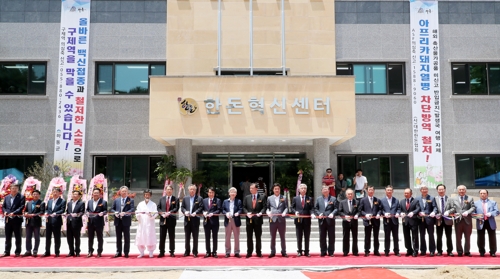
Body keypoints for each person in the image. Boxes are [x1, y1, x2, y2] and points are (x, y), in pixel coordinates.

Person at [444, 185, 475, 257]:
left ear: (465, 190)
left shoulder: (470, 198)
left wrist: (467, 212)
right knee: (458, 237)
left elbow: (473, 207)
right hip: (458, 220)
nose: (461, 191)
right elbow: (453, 208)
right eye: (460, 190)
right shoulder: (453, 199)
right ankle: (459, 251)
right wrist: (449, 212)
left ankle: (467, 251)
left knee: (467, 237)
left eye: (463, 190)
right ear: (458, 191)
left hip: (467, 220)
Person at [2, 180, 25, 257]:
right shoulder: (6, 197)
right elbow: (3, 207)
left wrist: (14, 212)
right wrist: (4, 212)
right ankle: (7, 251)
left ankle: (17, 251)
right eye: (13, 188)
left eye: (16, 188)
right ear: (10, 189)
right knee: (7, 236)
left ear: (18, 189)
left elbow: (21, 207)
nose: (14, 189)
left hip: (17, 219)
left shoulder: (21, 197)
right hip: (8, 219)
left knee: (17, 236)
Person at [242, 183, 266, 258]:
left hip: (258, 220)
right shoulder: (247, 197)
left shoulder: (262, 197)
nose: (250, 189)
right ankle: (249, 252)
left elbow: (264, 207)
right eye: (250, 188)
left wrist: (261, 213)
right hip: (249, 220)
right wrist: (246, 213)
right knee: (249, 237)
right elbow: (244, 207)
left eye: (252, 188)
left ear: (256, 189)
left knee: (258, 237)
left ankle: (258, 252)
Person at [111, 186, 135, 258]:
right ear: (120, 192)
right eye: (122, 191)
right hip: (118, 221)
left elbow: (132, 209)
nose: (124, 192)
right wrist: (115, 212)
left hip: (126, 221)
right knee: (118, 238)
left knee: (126, 237)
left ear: (127, 192)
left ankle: (126, 252)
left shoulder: (130, 200)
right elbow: (112, 209)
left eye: (125, 191)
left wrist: (125, 213)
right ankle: (118, 251)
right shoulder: (116, 200)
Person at [290, 183, 314, 257]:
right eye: (302, 188)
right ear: (299, 190)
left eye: (305, 188)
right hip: (298, 220)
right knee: (299, 236)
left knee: (307, 236)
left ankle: (307, 251)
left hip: (307, 220)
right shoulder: (295, 198)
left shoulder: (309, 199)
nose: (303, 189)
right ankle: (299, 251)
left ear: (306, 190)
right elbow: (292, 207)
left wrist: (312, 213)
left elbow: (312, 208)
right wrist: (295, 212)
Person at [43, 184, 66, 257]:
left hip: (57, 221)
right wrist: (46, 213)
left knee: (57, 237)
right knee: (48, 237)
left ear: (59, 193)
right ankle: (47, 252)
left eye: (56, 192)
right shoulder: (49, 201)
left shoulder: (62, 201)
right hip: (49, 221)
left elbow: (62, 210)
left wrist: (56, 213)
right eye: (53, 192)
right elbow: (47, 209)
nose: (55, 193)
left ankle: (57, 252)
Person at [313, 185, 337, 257]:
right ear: (321, 191)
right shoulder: (318, 199)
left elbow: (336, 208)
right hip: (322, 220)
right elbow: (315, 208)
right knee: (322, 236)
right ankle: (323, 251)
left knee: (331, 236)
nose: (325, 191)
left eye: (326, 189)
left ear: (329, 191)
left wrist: (333, 213)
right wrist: (318, 213)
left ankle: (331, 251)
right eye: (324, 190)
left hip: (330, 220)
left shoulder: (333, 199)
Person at [181, 184, 204, 257]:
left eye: (193, 189)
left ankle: (195, 251)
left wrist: (196, 212)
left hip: (195, 220)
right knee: (187, 237)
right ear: (188, 190)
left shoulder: (199, 198)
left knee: (195, 237)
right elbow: (182, 207)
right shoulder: (185, 198)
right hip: (187, 220)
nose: (192, 191)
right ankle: (187, 251)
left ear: (195, 190)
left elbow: (201, 207)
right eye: (191, 189)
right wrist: (185, 211)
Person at [359, 185, 382, 256]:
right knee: (367, 236)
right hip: (367, 220)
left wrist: (378, 214)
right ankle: (366, 250)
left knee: (376, 236)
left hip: (375, 220)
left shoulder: (377, 200)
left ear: (374, 191)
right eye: (369, 190)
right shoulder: (363, 200)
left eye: (372, 190)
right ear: (367, 191)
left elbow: (380, 209)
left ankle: (376, 250)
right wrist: (365, 215)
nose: (371, 191)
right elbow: (360, 210)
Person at [266, 183, 288, 258]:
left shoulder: (284, 197)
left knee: (282, 237)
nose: (277, 190)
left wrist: (285, 212)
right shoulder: (269, 198)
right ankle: (272, 251)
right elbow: (267, 207)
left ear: (280, 189)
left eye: (278, 189)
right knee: (272, 237)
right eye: (275, 189)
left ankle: (284, 251)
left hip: (281, 220)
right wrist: (268, 212)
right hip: (273, 219)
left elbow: (286, 207)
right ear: (273, 190)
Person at [474, 189, 498, 257]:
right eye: (481, 193)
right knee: (480, 237)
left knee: (492, 237)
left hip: (490, 221)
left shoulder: (493, 202)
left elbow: (497, 211)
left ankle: (493, 251)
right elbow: (473, 213)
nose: (482, 195)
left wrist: (491, 213)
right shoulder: (475, 203)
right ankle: (481, 251)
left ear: (487, 194)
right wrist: (478, 216)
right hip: (480, 221)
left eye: (484, 193)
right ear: (479, 194)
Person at [432, 184, 454, 256]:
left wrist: (449, 212)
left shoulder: (449, 198)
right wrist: (436, 213)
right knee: (439, 236)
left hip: (448, 220)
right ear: (437, 190)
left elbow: (453, 208)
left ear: (445, 190)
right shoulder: (434, 199)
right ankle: (439, 251)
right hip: (439, 220)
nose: (441, 191)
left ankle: (449, 251)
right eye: (439, 189)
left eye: (442, 189)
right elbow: (434, 208)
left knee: (449, 236)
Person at [158, 185, 180, 258]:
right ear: (165, 190)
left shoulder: (175, 199)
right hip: (163, 220)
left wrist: (169, 212)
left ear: (172, 190)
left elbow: (176, 208)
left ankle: (172, 252)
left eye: (170, 189)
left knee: (171, 237)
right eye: (167, 189)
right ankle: (161, 252)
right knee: (162, 237)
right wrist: (162, 213)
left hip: (171, 220)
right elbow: (158, 208)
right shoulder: (162, 199)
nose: (169, 191)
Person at [135, 189, 158, 258]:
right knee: (140, 236)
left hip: (149, 223)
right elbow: (137, 211)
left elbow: (156, 213)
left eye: (148, 195)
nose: (147, 196)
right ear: (144, 195)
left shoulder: (153, 204)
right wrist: (138, 215)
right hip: (142, 223)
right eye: (145, 194)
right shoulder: (140, 204)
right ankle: (141, 252)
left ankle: (151, 252)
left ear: (150, 196)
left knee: (150, 236)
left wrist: (151, 215)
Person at [380, 185, 401, 257]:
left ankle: (396, 251)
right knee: (387, 236)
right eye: (388, 190)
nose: (389, 191)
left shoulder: (396, 200)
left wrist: (398, 213)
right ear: (385, 191)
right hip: (387, 221)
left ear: (393, 191)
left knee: (396, 237)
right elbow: (380, 209)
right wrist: (384, 213)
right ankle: (386, 251)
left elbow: (398, 208)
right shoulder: (382, 200)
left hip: (395, 221)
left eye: (390, 190)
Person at [86, 188, 108, 258]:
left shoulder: (103, 202)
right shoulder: (89, 202)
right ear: (92, 194)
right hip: (90, 222)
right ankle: (90, 251)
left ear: (100, 194)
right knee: (90, 238)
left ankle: (99, 251)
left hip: (99, 222)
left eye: (97, 193)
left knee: (100, 238)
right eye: (94, 193)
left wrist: (103, 213)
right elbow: (87, 210)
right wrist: (86, 213)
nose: (95, 194)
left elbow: (106, 211)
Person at [400, 188, 420, 257]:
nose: (406, 194)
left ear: (411, 193)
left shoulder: (415, 201)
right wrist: (400, 213)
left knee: (415, 236)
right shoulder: (402, 201)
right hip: (405, 221)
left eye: (407, 193)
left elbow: (418, 208)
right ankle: (409, 250)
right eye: (405, 193)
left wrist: (413, 212)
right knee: (406, 236)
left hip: (413, 221)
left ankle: (415, 250)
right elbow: (399, 209)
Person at [338, 189, 359, 256]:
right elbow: (340, 211)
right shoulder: (342, 202)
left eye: (351, 194)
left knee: (355, 236)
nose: (350, 195)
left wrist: (357, 215)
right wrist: (344, 216)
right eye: (348, 194)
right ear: (346, 195)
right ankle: (345, 251)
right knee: (345, 237)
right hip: (346, 222)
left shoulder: (357, 202)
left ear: (353, 194)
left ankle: (355, 251)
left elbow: (359, 211)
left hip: (354, 221)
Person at [23, 189, 45, 257]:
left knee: (36, 237)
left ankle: (35, 250)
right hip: (28, 222)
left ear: (39, 195)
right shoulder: (28, 203)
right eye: (34, 194)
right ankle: (28, 250)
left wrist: (33, 215)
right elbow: (25, 210)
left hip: (36, 222)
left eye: (37, 194)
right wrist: (25, 213)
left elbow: (42, 212)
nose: (35, 195)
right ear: (32, 195)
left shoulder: (42, 203)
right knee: (28, 237)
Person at [416, 185, 436, 257]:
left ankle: (432, 250)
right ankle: (423, 250)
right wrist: (418, 212)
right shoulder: (417, 198)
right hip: (420, 219)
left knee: (431, 235)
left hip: (429, 219)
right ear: (420, 190)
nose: (424, 190)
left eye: (426, 189)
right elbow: (415, 207)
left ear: (427, 190)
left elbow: (435, 207)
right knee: (422, 235)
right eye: (423, 189)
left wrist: (433, 212)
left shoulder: (432, 198)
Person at [222, 187, 242, 258]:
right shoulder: (225, 201)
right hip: (228, 220)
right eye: (231, 192)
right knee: (227, 237)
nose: (233, 193)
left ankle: (237, 252)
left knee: (236, 237)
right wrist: (226, 213)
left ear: (236, 194)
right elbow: (223, 209)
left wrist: (238, 213)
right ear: (229, 193)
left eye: (234, 192)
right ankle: (227, 252)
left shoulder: (238, 201)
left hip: (235, 220)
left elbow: (240, 209)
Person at [202, 187, 221, 258]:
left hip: (214, 222)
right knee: (207, 237)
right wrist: (203, 212)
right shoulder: (204, 200)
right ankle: (208, 252)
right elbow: (202, 209)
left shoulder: (217, 200)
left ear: (214, 193)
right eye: (210, 192)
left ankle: (214, 252)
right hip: (206, 221)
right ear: (208, 193)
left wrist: (213, 213)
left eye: (212, 192)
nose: (211, 194)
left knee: (215, 237)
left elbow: (219, 210)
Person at [65, 190, 85, 257]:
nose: (74, 195)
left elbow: (82, 212)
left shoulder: (81, 203)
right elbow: (67, 211)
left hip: (76, 223)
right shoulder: (69, 203)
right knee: (69, 238)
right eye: (73, 194)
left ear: (79, 196)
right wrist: (65, 214)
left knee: (77, 238)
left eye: (76, 194)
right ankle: (71, 251)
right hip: (69, 223)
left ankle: (77, 252)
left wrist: (77, 215)